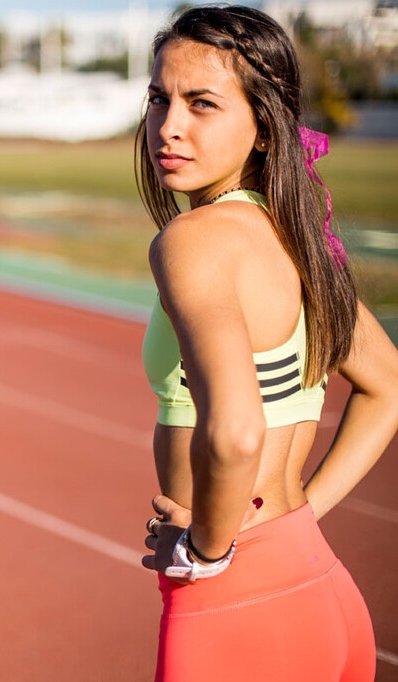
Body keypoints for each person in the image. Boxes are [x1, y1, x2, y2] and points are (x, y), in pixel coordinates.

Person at [135, 5, 398, 681]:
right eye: (159, 98)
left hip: (237, 611)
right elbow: (387, 385)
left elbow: (235, 433)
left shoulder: (193, 243)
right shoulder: (301, 238)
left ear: (262, 127)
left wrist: (206, 551)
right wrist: (300, 515)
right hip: (318, 585)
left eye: (202, 104)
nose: (169, 127)